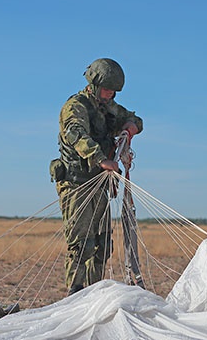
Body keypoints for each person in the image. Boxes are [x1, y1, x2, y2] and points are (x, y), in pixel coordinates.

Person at [50, 58, 143, 296]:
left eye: (113, 91)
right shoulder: (75, 106)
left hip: (100, 185)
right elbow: (76, 135)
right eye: (106, 89)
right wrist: (101, 159)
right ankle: (75, 294)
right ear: (93, 84)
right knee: (82, 244)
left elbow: (135, 120)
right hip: (77, 185)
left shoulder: (108, 107)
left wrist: (128, 129)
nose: (110, 94)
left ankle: (93, 294)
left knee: (102, 246)